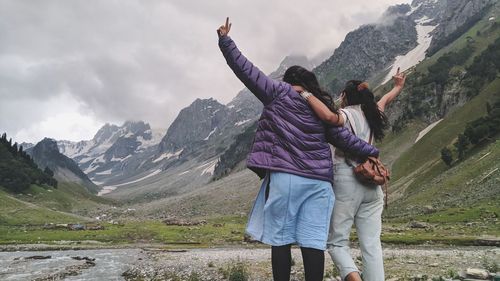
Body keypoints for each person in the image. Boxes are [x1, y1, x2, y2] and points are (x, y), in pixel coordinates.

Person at [217, 18, 380, 281]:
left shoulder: (277, 91)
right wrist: (373, 152)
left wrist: (226, 41)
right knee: (313, 241)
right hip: (319, 183)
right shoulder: (321, 106)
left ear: (289, 80)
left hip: (287, 178)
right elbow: (344, 138)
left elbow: (245, 70)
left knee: (280, 240)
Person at [301, 71, 406, 281]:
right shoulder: (373, 112)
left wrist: (305, 94)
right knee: (371, 246)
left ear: (346, 96)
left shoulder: (347, 114)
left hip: (347, 180)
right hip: (372, 184)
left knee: (337, 242)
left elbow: (330, 117)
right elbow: (385, 99)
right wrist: (398, 86)